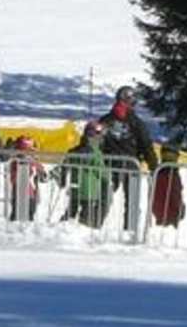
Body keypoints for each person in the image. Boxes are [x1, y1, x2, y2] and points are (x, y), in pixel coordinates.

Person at [96, 85, 158, 229]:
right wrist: (154, 165)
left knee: (103, 199)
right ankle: (130, 232)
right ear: (131, 102)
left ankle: (93, 225)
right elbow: (146, 145)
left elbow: (95, 139)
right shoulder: (136, 122)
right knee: (132, 203)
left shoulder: (105, 120)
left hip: (109, 165)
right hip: (130, 166)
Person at [61, 119, 112, 228]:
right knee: (86, 213)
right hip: (90, 190)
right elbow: (100, 169)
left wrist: (63, 178)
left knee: (71, 211)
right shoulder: (95, 153)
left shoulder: (74, 151)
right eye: (100, 136)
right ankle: (84, 229)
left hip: (75, 188)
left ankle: (61, 227)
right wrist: (107, 178)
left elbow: (65, 164)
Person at [6, 135, 46, 223]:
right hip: (25, 192)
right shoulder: (21, 160)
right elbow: (42, 173)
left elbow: (41, 172)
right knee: (22, 214)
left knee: (21, 214)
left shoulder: (21, 159)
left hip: (26, 192)